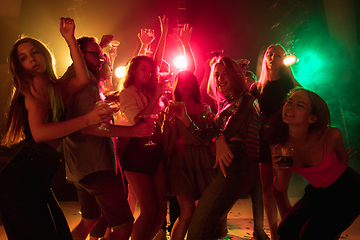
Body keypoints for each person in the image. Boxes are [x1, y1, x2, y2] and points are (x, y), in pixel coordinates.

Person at [0, 18, 111, 240]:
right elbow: (40, 133)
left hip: (35, 179)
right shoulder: (37, 83)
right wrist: (87, 119)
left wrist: (70, 39)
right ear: (19, 66)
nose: (31, 59)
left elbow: (81, 79)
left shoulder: (52, 86)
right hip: (22, 180)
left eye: (34, 53)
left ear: (44, 54)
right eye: (24, 58)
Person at [61, 36, 154, 240]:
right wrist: (132, 131)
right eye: (96, 55)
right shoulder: (86, 85)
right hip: (95, 167)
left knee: (90, 219)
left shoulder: (75, 78)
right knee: (123, 226)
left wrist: (108, 101)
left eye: (101, 55)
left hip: (79, 166)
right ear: (79, 54)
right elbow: (90, 128)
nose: (101, 59)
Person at [177, 56, 261, 239]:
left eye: (225, 74)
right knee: (209, 227)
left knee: (199, 228)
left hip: (236, 162)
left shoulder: (245, 98)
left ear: (235, 75)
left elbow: (235, 124)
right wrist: (185, 118)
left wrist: (221, 137)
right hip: (226, 163)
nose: (220, 78)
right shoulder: (224, 104)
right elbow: (207, 137)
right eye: (216, 75)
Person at [265, 87, 360, 239]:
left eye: (300, 105)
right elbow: (281, 188)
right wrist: (280, 171)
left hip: (349, 190)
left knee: (311, 234)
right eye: (289, 101)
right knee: (286, 230)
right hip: (317, 191)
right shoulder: (279, 143)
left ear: (312, 118)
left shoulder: (330, 136)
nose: (290, 106)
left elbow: (343, 161)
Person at [249, 44, 300, 240]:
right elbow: (241, 103)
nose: (273, 58)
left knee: (280, 190)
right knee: (266, 190)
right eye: (270, 54)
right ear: (265, 58)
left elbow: (305, 98)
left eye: (278, 55)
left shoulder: (289, 84)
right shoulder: (257, 86)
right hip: (263, 139)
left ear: (283, 59)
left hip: (284, 141)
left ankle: (288, 232)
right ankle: (273, 235)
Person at [118, 54, 170, 240]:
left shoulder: (149, 92)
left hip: (155, 150)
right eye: (143, 68)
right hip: (137, 154)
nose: (148, 72)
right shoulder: (127, 93)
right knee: (149, 210)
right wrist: (157, 96)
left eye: (150, 69)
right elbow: (138, 120)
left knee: (161, 211)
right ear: (133, 70)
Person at [162, 70, 215, 240]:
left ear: (194, 83)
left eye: (188, 81)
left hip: (201, 160)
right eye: (181, 81)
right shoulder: (172, 107)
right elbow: (168, 138)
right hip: (181, 160)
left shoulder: (204, 108)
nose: (185, 84)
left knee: (202, 212)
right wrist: (168, 121)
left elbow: (208, 137)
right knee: (187, 211)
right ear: (176, 84)